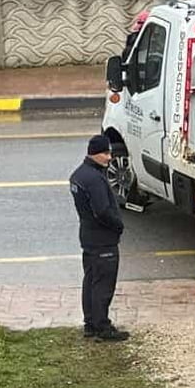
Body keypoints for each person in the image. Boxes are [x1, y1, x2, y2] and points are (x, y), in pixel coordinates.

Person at [69, 134, 128, 342]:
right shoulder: (94, 180)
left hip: (88, 236)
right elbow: (102, 211)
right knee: (103, 284)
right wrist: (118, 226)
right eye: (106, 153)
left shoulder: (78, 175)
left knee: (91, 280)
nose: (110, 157)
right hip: (103, 239)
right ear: (95, 154)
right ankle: (102, 325)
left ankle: (91, 322)